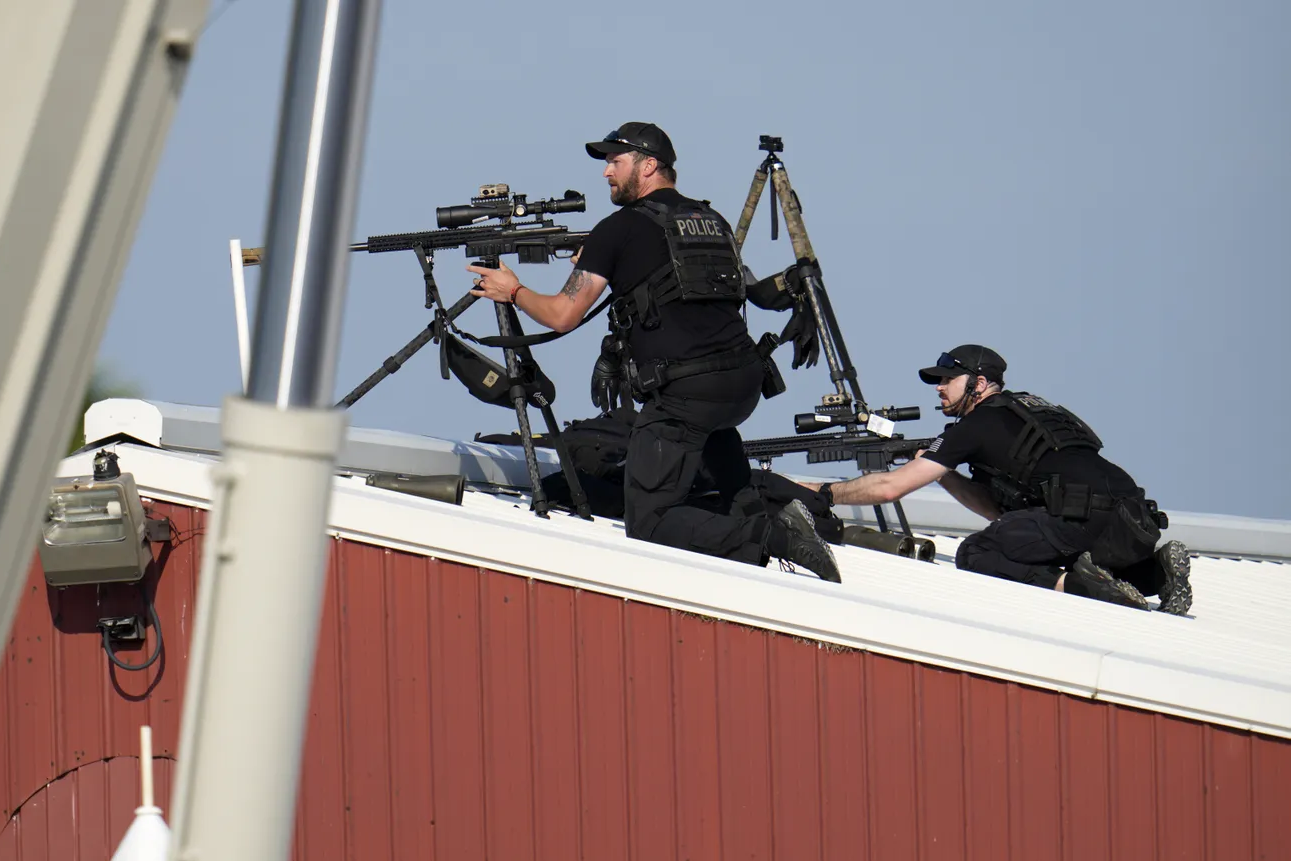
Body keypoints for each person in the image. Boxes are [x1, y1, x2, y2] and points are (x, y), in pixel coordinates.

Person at [467, 122, 840, 582]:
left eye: (614, 161)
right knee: (727, 482)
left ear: (647, 166)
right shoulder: (711, 220)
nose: (605, 172)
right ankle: (766, 525)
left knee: (649, 521)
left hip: (686, 392)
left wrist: (514, 290)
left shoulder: (618, 229)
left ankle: (778, 538)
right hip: (741, 385)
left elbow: (563, 314)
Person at [801, 345, 1192, 613]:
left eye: (948, 379)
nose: (939, 388)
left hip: (1077, 517)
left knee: (977, 553)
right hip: (1133, 519)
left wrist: (824, 492)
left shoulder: (975, 425)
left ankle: (1082, 588)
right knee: (1065, 551)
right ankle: (1155, 573)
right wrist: (946, 476)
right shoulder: (1034, 410)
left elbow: (891, 487)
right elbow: (999, 515)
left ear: (980, 384)